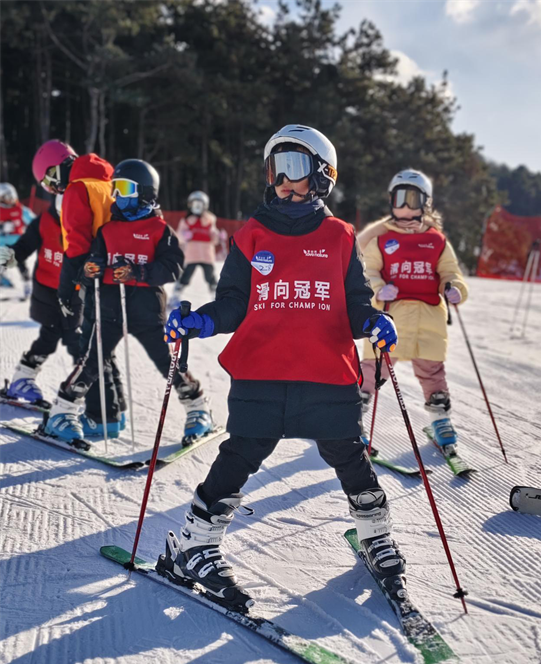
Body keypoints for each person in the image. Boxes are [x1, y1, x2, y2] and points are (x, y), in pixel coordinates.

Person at [155, 124, 402, 612]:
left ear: (323, 176)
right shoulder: (252, 235)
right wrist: (199, 321)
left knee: (349, 453)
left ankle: (374, 533)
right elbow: (232, 304)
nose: (284, 182)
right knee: (242, 453)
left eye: (295, 169)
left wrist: (375, 320)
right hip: (261, 371)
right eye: (276, 171)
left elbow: (355, 306)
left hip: (326, 372)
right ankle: (192, 544)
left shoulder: (339, 237)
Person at [42, 159, 213, 445]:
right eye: (115, 189)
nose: (117, 196)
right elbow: (94, 262)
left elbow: (172, 266)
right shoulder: (107, 230)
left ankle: (198, 408)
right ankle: (62, 412)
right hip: (109, 309)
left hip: (147, 312)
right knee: (91, 362)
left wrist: (140, 272)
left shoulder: (159, 230)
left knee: (167, 362)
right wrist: (89, 271)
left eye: (124, 189)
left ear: (146, 192)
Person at [356, 169, 468, 448]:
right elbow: (367, 271)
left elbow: (449, 272)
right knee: (373, 368)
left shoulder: (436, 241)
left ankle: (440, 418)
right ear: (391, 201)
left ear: (425, 203)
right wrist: (379, 287)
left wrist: (452, 287)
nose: (405, 206)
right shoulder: (381, 239)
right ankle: (353, 416)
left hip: (427, 318)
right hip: (390, 315)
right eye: (399, 198)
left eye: (413, 199)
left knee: (432, 370)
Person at [31, 139, 117, 436]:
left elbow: (76, 246)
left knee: (91, 348)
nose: (54, 189)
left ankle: (90, 416)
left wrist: (67, 289)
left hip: (92, 277)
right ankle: (113, 414)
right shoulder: (106, 182)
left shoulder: (76, 190)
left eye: (51, 180)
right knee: (104, 344)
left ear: (59, 168)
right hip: (115, 275)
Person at [1, 194, 82, 406]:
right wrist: (6, 259)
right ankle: (22, 380)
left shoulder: (84, 225)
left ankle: (80, 389)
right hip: (47, 290)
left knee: (76, 340)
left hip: (74, 293)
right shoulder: (44, 221)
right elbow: (24, 246)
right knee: (53, 334)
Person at [169, 191, 219, 308]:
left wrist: (216, 235)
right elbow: (179, 236)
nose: (197, 207)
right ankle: (174, 297)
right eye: (194, 204)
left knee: (210, 277)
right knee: (185, 277)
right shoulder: (187, 220)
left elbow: (214, 238)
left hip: (207, 256)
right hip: (191, 255)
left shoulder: (210, 219)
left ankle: (217, 298)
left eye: (199, 204)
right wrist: (184, 235)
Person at [0, 183, 35, 292]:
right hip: (2, 242)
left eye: (12, 197)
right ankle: (4, 283)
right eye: (7, 198)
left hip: (17, 242)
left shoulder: (21, 210)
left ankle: (27, 284)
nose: (11, 200)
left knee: (20, 262)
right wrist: (1, 227)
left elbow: (34, 223)